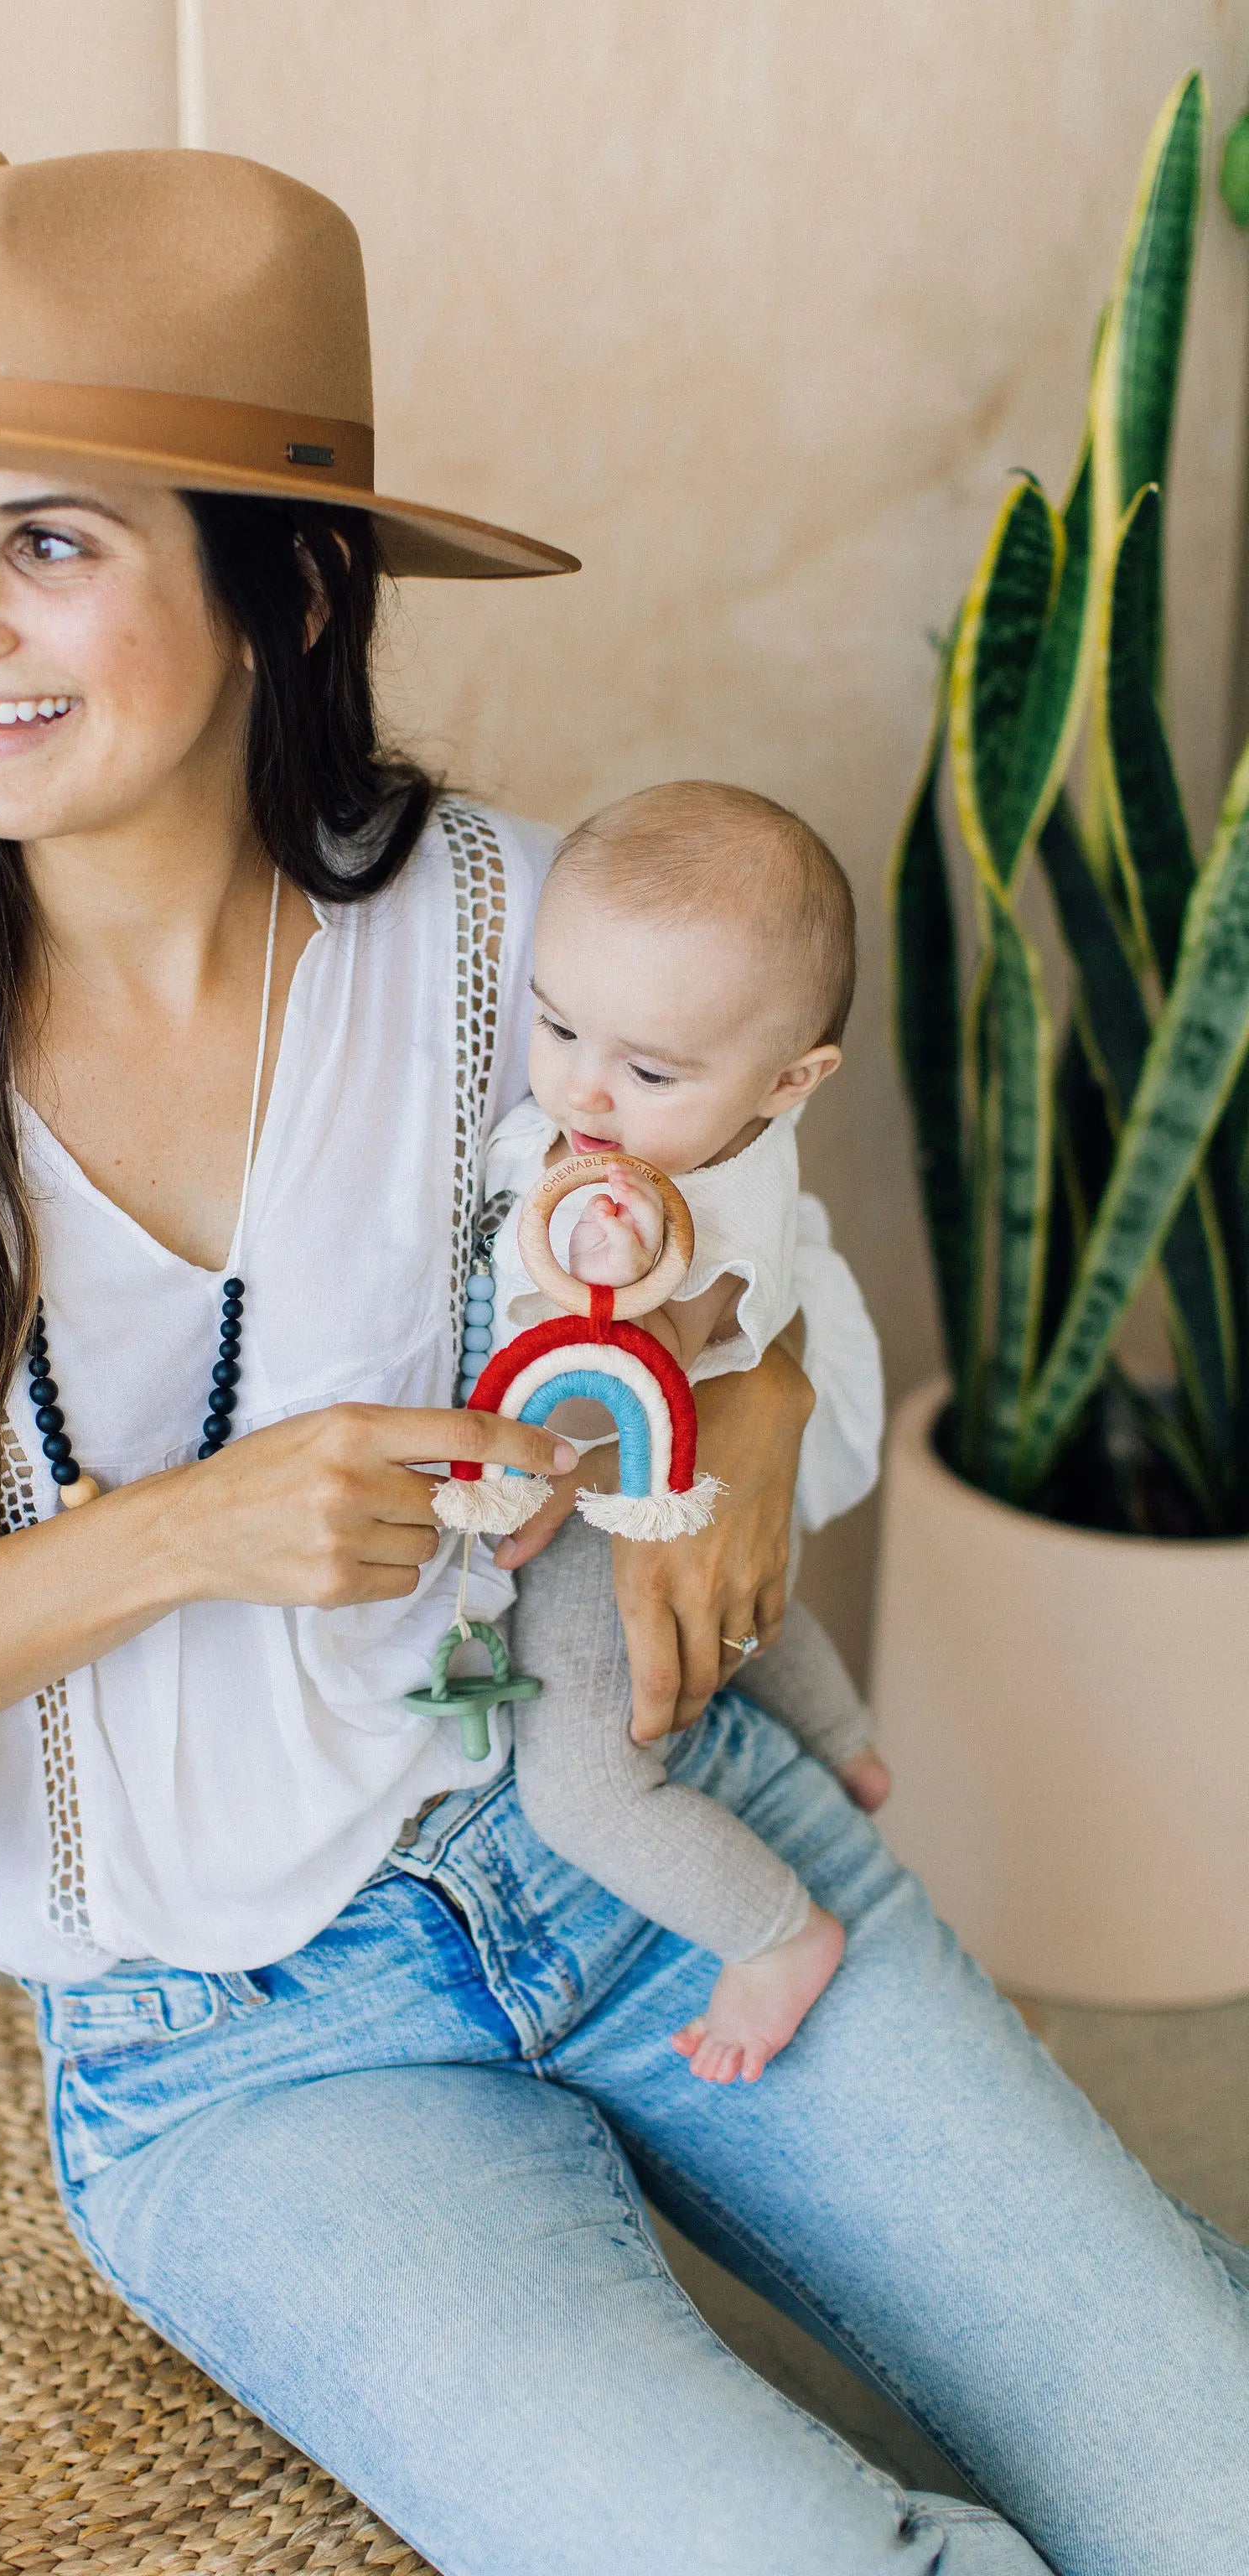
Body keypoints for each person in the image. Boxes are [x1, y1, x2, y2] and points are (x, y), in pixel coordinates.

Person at [0, 146, 1248, 2576]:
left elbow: (772, 1286)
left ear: (285, 595)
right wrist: (190, 1535)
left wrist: (755, 1416)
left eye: (46, 539)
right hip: (240, 2050)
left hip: (665, 1838)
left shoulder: (516, 924)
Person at [479, 779, 887, 2083]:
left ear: (789, 1082)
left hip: (619, 1503)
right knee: (757, 1614)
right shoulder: (633, 1131)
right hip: (659, 1485)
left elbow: (648, 1342)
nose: (583, 1090)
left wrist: (611, 1276)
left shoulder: (714, 1203)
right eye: (557, 1025)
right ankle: (846, 1742)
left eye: (649, 1071)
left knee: (583, 1792)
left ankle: (776, 1935)